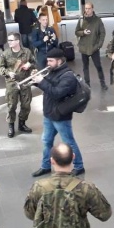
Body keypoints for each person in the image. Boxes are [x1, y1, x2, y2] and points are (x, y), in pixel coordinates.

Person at [30, 48, 85, 177]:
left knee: (69, 142)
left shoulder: (68, 76)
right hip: (49, 113)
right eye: (47, 60)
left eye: (51, 61)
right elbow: (48, 87)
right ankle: (45, 166)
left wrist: (41, 81)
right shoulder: (52, 71)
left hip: (61, 116)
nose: (48, 63)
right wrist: (37, 81)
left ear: (59, 61)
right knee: (46, 141)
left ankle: (79, 166)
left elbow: (57, 93)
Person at [0, 32, 36, 137]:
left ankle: (22, 124)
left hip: (25, 81)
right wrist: (8, 73)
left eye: (11, 40)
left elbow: (34, 62)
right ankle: (11, 126)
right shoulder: (5, 54)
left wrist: (29, 65)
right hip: (12, 83)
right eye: (8, 40)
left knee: (26, 104)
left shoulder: (27, 52)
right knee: (11, 105)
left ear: (17, 41)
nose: (9, 42)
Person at [75, 2, 108, 91]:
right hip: (84, 47)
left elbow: (102, 33)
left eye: (89, 8)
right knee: (85, 67)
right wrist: (83, 32)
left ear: (92, 9)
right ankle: (87, 84)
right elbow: (77, 32)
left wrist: (99, 45)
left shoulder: (97, 20)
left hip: (94, 48)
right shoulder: (81, 20)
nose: (87, 10)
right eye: (86, 8)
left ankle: (103, 83)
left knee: (98, 66)